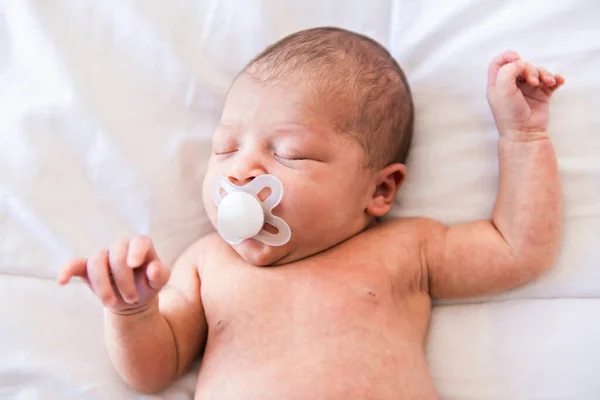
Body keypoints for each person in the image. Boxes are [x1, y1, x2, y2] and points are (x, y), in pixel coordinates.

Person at [58, 27, 565, 399]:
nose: (241, 172)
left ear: (381, 189)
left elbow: (517, 249)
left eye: (289, 153)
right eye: (226, 147)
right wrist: (132, 312)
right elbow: (153, 373)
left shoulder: (406, 249)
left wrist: (524, 138)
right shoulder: (207, 263)